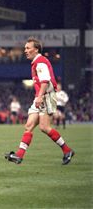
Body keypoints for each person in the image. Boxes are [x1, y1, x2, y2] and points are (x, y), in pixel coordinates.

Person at [5, 37, 75, 165]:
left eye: (28, 48)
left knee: (44, 127)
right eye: (25, 48)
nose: (25, 50)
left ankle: (67, 150)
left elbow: (45, 81)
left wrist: (40, 96)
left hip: (46, 96)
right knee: (29, 126)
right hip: (40, 96)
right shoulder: (36, 62)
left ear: (36, 50)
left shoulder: (40, 62)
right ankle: (19, 155)